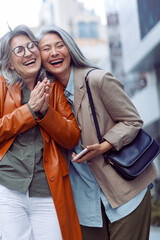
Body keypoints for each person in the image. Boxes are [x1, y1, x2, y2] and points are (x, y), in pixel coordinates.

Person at [0, 25, 82, 240]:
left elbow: (72, 136)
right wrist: (29, 110)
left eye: (31, 46)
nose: (28, 53)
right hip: (5, 189)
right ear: (9, 62)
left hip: (47, 190)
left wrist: (45, 112)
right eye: (19, 50)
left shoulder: (53, 89)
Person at [37, 25, 158, 240]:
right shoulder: (47, 96)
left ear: (70, 49)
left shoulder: (98, 80)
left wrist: (104, 146)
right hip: (85, 202)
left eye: (59, 45)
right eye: (46, 49)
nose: (53, 52)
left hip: (124, 190)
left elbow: (132, 121)